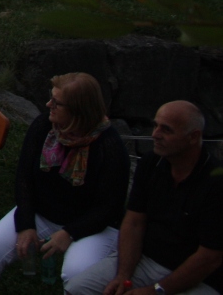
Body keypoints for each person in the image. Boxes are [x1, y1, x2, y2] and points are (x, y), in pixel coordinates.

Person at [0, 72, 128, 295]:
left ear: (78, 110)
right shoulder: (44, 126)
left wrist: (69, 233)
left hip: (93, 226)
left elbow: (109, 207)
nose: (49, 105)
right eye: (51, 98)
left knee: (76, 271)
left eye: (57, 102)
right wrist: (26, 224)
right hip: (45, 212)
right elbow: (24, 178)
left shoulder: (109, 147)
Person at [64, 100, 222, 295]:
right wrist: (123, 276)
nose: (155, 134)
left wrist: (155, 291)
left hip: (198, 277)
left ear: (193, 137)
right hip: (145, 260)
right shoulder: (151, 164)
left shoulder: (215, 182)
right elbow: (134, 222)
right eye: (155, 125)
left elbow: (209, 257)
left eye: (166, 129)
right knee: (77, 289)